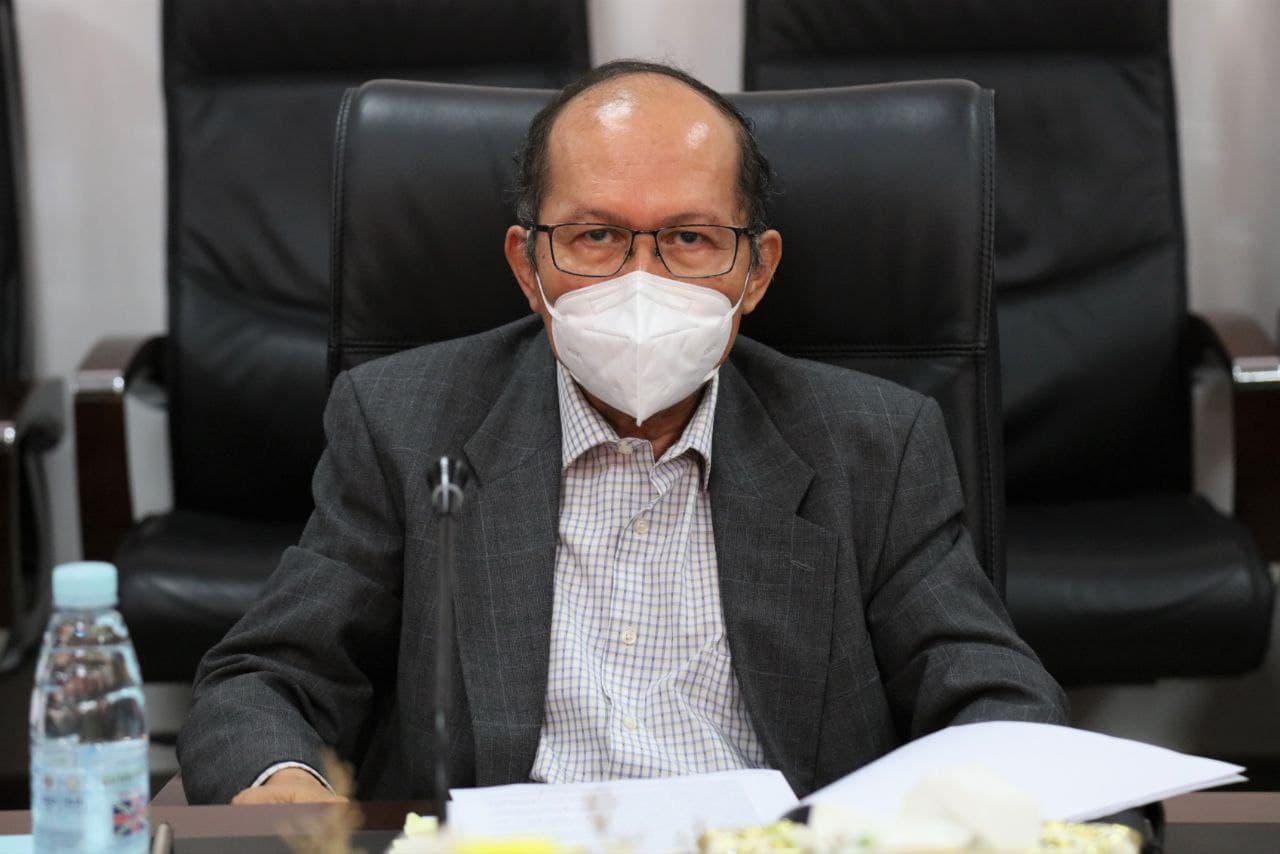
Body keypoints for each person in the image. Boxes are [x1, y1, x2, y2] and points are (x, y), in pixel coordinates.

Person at [178, 60, 1067, 806]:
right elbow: (267, 680)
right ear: (528, 265)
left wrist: (971, 808)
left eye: (689, 239)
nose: (642, 281)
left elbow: (994, 695)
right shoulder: (403, 423)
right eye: (597, 235)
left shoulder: (873, 444)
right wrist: (284, 786)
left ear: (756, 271)